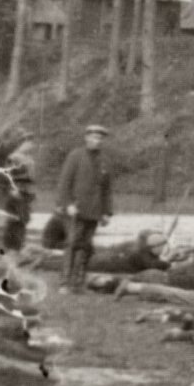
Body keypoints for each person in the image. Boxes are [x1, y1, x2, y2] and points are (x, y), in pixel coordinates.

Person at [52, 123, 114, 293]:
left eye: (100, 138)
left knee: (86, 247)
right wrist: (67, 204)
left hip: (94, 212)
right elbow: (64, 183)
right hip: (76, 211)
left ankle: (78, 283)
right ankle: (65, 283)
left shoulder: (104, 161)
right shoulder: (75, 156)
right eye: (94, 137)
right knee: (72, 244)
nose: (97, 141)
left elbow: (106, 190)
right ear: (87, 138)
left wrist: (107, 212)